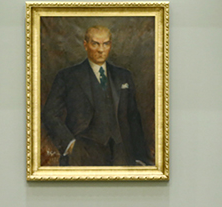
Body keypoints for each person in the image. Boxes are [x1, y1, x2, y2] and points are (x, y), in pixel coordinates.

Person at [42, 25, 151, 166]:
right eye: (95, 44)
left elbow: (133, 118)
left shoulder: (123, 76)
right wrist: (70, 145)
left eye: (105, 44)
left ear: (110, 45)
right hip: (82, 154)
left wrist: (140, 158)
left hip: (121, 155)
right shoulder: (67, 76)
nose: (101, 50)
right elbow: (50, 114)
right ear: (85, 45)